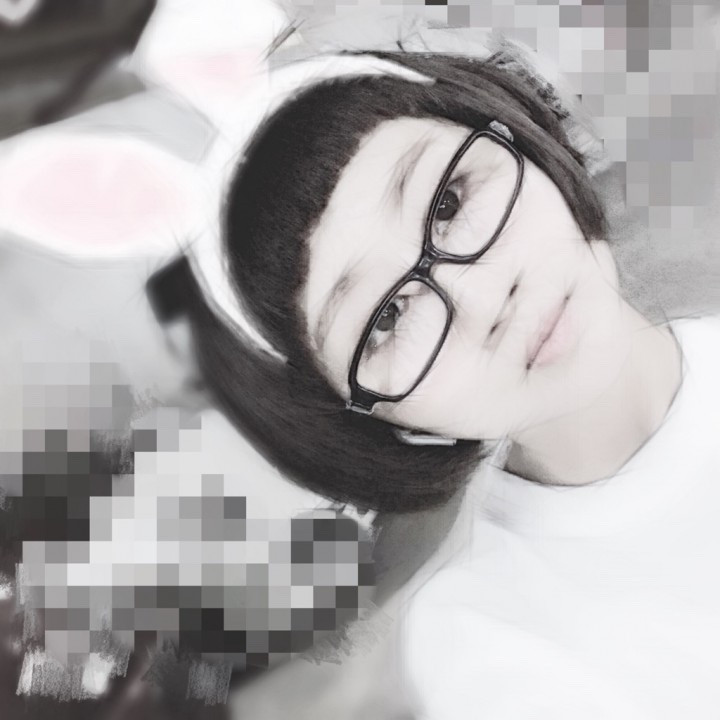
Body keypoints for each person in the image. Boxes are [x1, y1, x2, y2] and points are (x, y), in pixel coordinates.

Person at [169, 38, 720, 719]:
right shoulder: (494, 650)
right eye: (388, 317)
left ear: (522, 137)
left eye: (450, 203)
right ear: (369, 423)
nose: (485, 299)